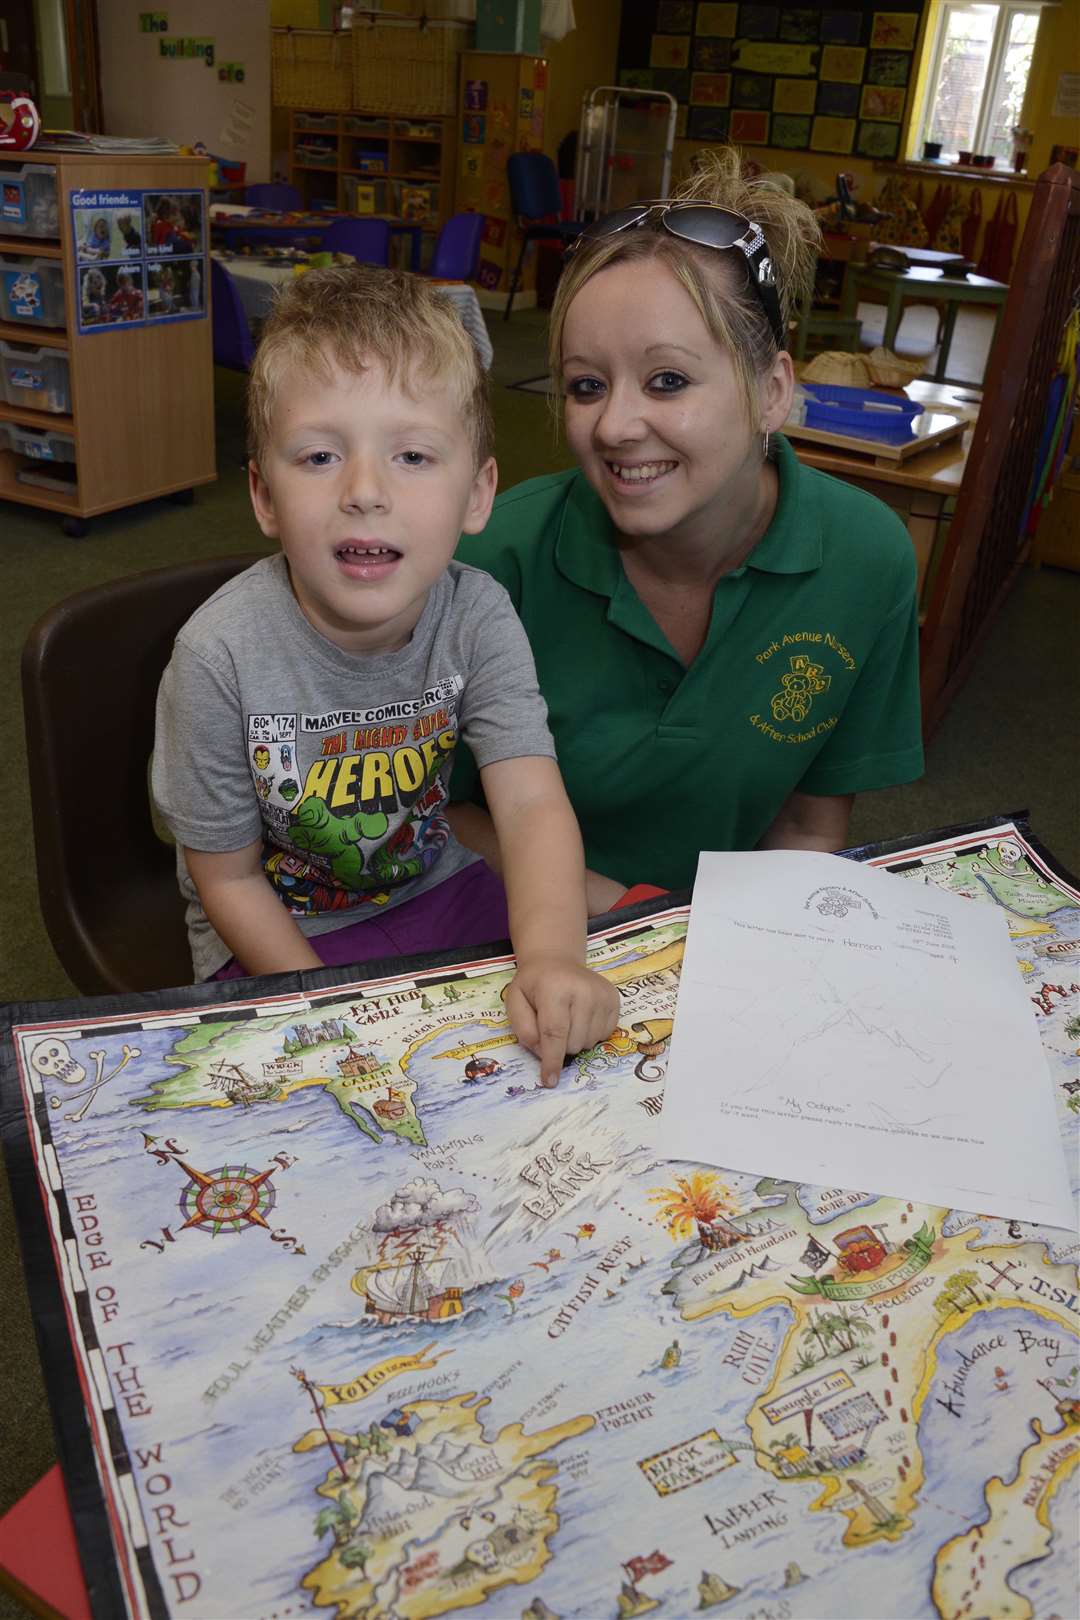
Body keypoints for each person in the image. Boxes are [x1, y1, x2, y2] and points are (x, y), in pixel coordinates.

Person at [153, 267, 617, 1083]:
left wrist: (551, 958)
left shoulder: (479, 615)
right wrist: (327, 1005)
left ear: (476, 495)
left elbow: (531, 799)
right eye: (320, 455)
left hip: (438, 892)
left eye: (411, 454)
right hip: (278, 938)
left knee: (563, 1056)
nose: (364, 492)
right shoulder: (217, 655)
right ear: (264, 495)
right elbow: (224, 878)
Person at [451, 147, 924, 909]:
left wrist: (728, 956)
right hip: (506, 920)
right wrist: (635, 916)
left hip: (722, 943)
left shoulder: (867, 558)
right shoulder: (487, 559)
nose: (614, 425)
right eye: (585, 385)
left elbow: (807, 827)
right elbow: (432, 816)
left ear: (772, 392)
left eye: (667, 380)